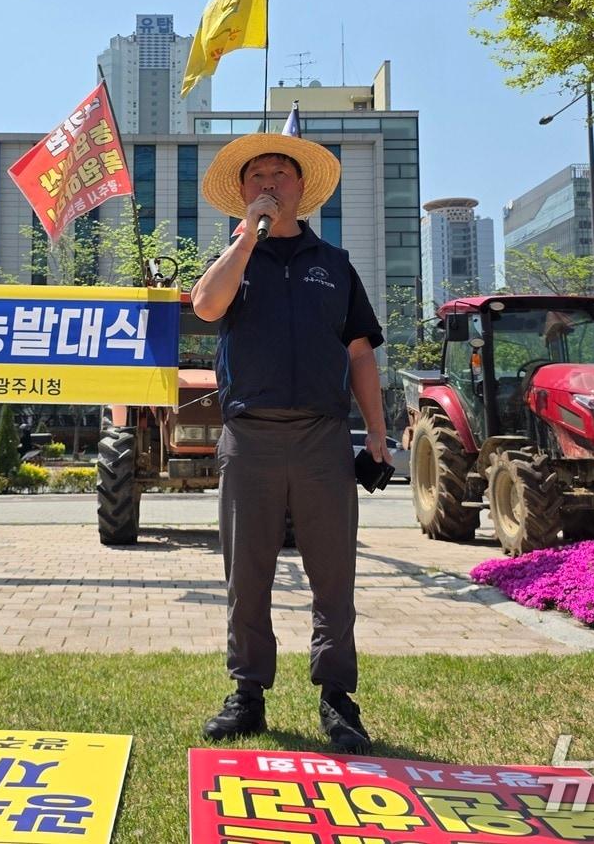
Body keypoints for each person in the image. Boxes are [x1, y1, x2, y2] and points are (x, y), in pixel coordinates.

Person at [190, 131, 392, 755]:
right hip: (249, 437)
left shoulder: (334, 265)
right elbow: (204, 306)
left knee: (333, 574)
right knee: (245, 572)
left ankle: (337, 696)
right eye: (258, 178)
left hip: (323, 438)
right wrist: (245, 240)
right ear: (242, 193)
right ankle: (247, 690)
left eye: (282, 175)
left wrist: (378, 438)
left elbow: (360, 354)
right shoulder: (233, 260)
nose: (271, 185)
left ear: (303, 190)